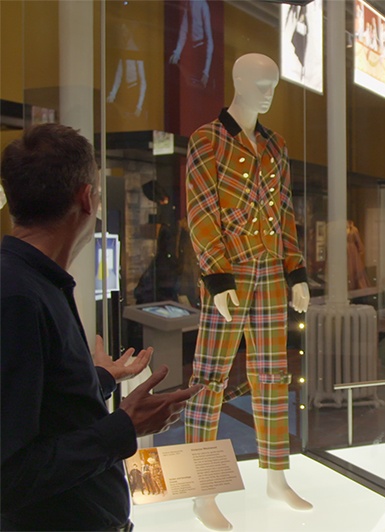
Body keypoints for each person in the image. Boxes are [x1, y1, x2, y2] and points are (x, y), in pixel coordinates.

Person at [0, 123, 202, 531]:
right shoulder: (17, 296)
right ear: (87, 197)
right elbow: (9, 475)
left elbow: (41, 406)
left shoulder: (36, 283)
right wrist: (124, 427)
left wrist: (99, 378)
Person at [185, 53, 312, 530]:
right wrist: (215, 277)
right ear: (237, 80)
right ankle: (203, 490)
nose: (267, 92)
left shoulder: (276, 145)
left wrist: (295, 271)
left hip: (271, 276)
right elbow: (201, 214)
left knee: (273, 375)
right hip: (229, 276)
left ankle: (277, 474)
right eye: (260, 83)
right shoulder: (207, 141)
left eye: (273, 84)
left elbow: (286, 213)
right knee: (209, 380)